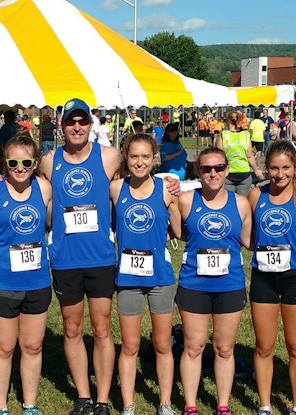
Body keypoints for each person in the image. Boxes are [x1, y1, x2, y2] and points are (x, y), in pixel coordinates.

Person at [38, 98, 122, 415]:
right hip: (65, 258)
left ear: (90, 124)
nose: (77, 127)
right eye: (71, 122)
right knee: (72, 329)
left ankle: (102, 399)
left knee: (101, 329)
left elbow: (135, 178)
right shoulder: (50, 161)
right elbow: (32, 192)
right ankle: (83, 396)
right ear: (62, 126)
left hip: (100, 257)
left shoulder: (109, 157)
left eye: (82, 121)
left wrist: (165, 182)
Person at [177, 147, 252, 415]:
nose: (213, 173)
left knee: (224, 348)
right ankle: (190, 405)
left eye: (219, 168)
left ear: (227, 170)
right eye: (207, 168)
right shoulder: (185, 200)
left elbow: (249, 241)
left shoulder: (241, 203)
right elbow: (177, 232)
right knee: (194, 346)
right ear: (198, 172)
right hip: (194, 283)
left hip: (229, 284)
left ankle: (222, 405)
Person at [0, 133, 53, 415]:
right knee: (4, 347)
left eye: (26, 162)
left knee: (33, 346)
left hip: (37, 280)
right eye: (13, 162)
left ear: (35, 162)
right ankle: (0, 406)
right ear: (4, 164)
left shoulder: (44, 188)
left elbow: (50, 222)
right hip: (1, 280)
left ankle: (30, 404)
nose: (20, 167)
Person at [111, 133, 181, 415]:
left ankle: (164, 403)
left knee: (162, 343)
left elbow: (177, 230)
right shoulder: (116, 188)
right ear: (125, 159)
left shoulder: (165, 189)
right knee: (130, 345)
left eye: (145, 157)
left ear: (154, 159)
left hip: (160, 279)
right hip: (127, 280)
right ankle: (128, 405)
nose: (139, 162)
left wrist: (174, 203)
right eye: (134, 156)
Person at [248, 140, 296, 415]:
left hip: (295, 276)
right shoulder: (255, 195)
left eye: (286, 167)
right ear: (265, 168)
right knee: (264, 345)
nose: (280, 174)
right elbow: (246, 235)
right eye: (273, 168)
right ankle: (265, 405)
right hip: (263, 277)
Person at [215, 110, 264, 197]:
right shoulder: (245, 135)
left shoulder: (224, 134)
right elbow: (249, 155)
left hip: (228, 173)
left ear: (228, 120)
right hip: (244, 173)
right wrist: (256, 170)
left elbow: (218, 155)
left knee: (229, 202)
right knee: (242, 202)